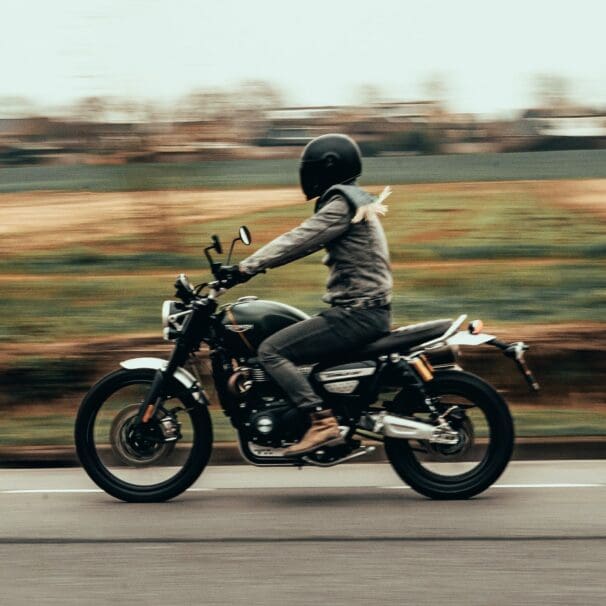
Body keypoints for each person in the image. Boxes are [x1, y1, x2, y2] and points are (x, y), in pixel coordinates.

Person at [223, 133, 393, 456]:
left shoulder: (342, 203)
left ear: (329, 167)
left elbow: (299, 239)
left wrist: (245, 268)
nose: (306, 175)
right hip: (363, 309)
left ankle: (322, 422)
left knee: (271, 350)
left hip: (357, 313)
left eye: (310, 168)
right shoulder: (352, 199)